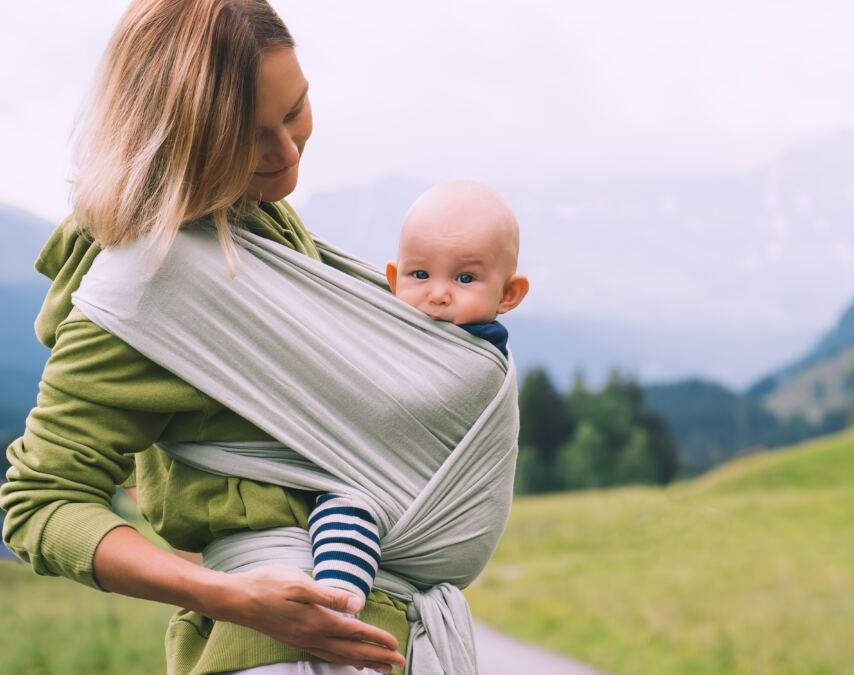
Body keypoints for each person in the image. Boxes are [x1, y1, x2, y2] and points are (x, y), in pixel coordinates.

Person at [0, 1, 407, 673]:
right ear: (178, 139)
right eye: (249, 137)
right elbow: (39, 501)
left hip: (368, 627)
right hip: (276, 648)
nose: (286, 152)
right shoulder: (149, 281)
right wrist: (230, 597)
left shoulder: (257, 221)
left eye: (295, 110)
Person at [308, 180, 529, 604]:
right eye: (420, 275)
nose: (438, 294)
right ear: (393, 280)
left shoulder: (480, 354)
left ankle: (339, 600)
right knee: (338, 508)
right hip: (377, 474)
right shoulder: (393, 328)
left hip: (410, 500)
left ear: (509, 294)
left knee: (348, 508)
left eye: (465, 278)